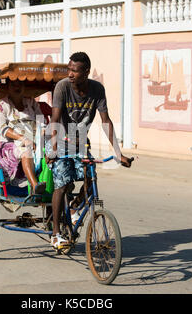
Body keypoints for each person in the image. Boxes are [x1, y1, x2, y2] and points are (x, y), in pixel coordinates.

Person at [46, 52, 133, 249]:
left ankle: (75, 207)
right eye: (69, 69)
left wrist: (118, 153)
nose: (70, 74)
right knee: (62, 182)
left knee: (90, 180)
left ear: (86, 72)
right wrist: (53, 149)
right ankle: (56, 233)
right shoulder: (62, 87)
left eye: (75, 71)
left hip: (80, 143)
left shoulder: (97, 89)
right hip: (58, 140)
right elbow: (55, 119)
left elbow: (105, 121)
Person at [0, 79, 46, 194]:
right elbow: (3, 128)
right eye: (13, 85)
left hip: (33, 139)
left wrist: (41, 134)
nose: (17, 87)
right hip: (9, 143)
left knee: (54, 151)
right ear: (8, 87)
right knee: (26, 151)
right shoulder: (1, 105)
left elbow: (41, 121)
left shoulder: (31, 102)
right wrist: (24, 139)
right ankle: (35, 186)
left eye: (20, 84)